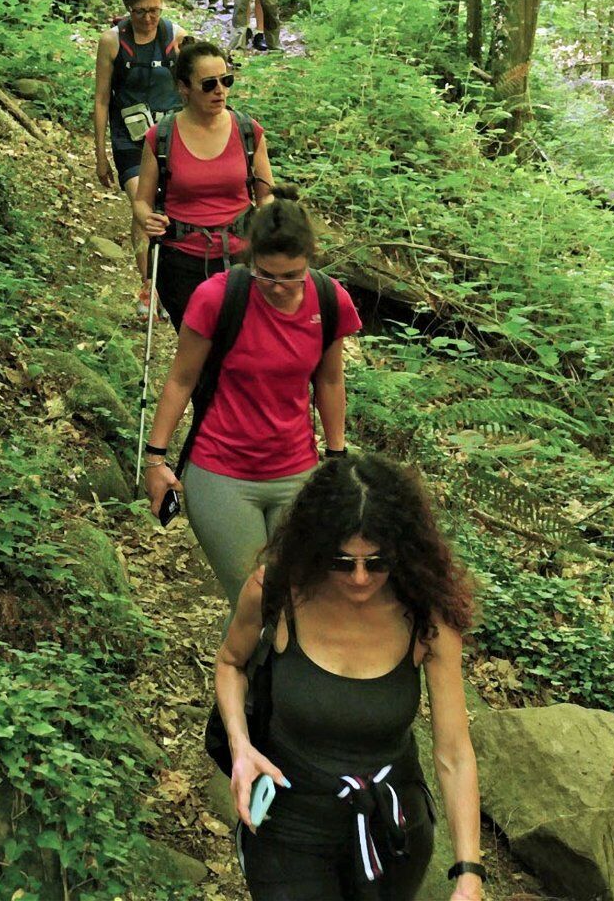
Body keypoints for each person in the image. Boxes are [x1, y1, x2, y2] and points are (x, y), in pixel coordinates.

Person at [215, 453, 484, 901]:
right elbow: (230, 664)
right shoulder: (276, 592)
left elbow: (454, 753)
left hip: (392, 828)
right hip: (290, 825)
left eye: (377, 562)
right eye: (342, 561)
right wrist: (241, 747)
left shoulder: (427, 618)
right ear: (316, 547)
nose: (360, 578)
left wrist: (468, 872)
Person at [143, 188, 362, 610]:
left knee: (295, 598)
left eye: (292, 276)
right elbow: (180, 379)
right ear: (249, 259)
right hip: (221, 471)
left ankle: (260, 676)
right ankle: (235, 675)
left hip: (296, 472)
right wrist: (156, 460)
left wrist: (336, 458)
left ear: (309, 262)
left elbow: (330, 383)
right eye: (267, 275)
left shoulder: (330, 300)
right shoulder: (217, 297)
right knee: (254, 600)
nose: (279, 287)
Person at [132, 40, 274, 330]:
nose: (220, 90)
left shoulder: (249, 131)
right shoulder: (161, 137)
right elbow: (142, 199)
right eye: (208, 84)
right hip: (181, 261)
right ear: (184, 88)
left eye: (226, 80)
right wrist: (148, 218)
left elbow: (266, 195)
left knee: (239, 341)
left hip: (240, 258)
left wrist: (266, 225)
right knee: (196, 344)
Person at [94, 0, 187, 318]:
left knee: (167, 209)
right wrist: (100, 153)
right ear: (127, 9)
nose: (148, 18)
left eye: (154, 10)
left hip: (168, 138)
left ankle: (166, 283)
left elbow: (192, 87)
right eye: (140, 11)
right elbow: (102, 98)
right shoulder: (112, 41)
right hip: (130, 140)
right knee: (141, 203)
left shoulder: (177, 37)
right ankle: (150, 285)